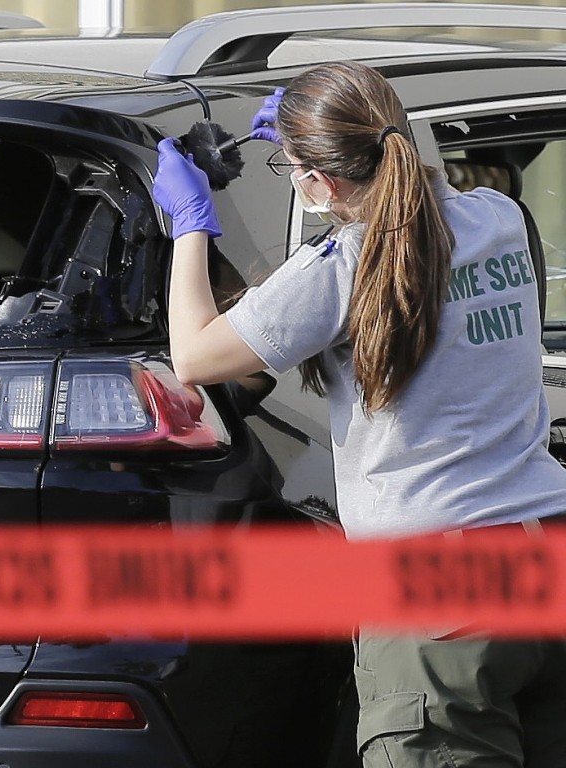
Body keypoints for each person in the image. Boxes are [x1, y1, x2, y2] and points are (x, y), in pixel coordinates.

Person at [152, 61, 566, 768]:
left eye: (292, 170)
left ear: (321, 180)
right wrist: (324, 133)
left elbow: (191, 357)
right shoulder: (500, 219)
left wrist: (190, 224)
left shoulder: (339, 268)